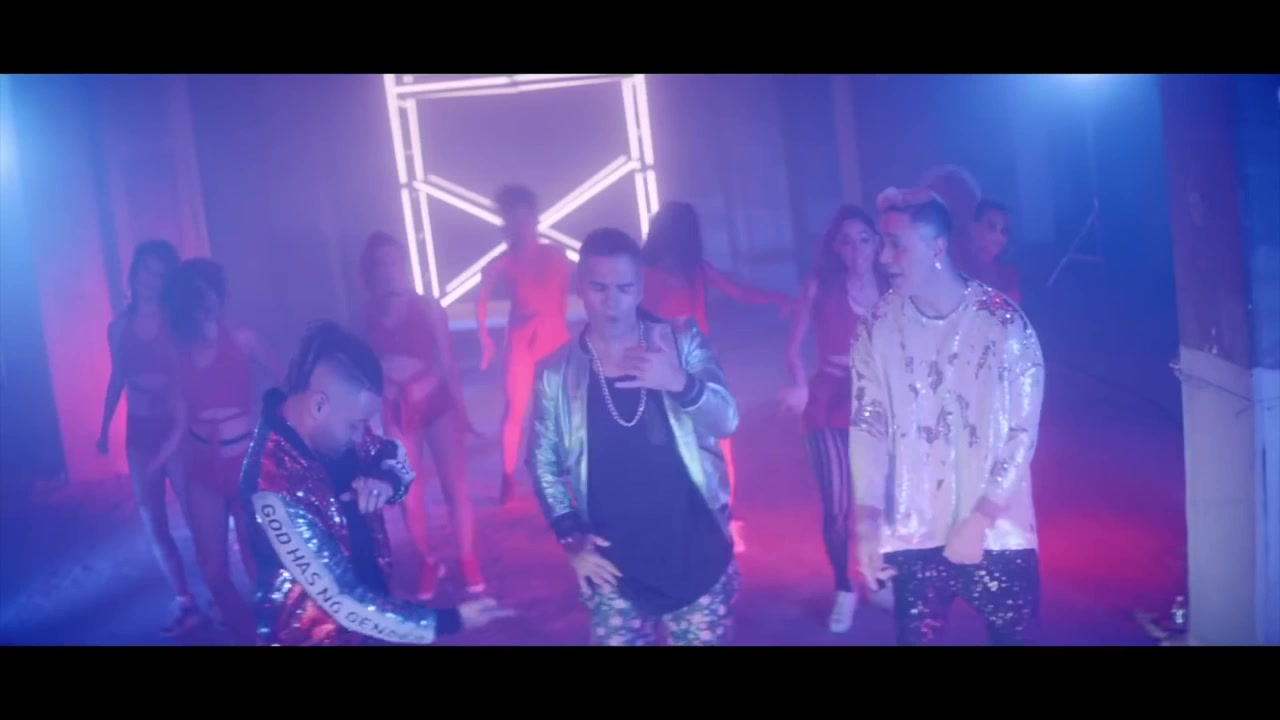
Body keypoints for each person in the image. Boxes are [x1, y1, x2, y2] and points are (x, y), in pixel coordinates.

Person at [850, 187, 1045, 646]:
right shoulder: (877, 328)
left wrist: (981, 518)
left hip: (998, 533)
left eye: (896, 244)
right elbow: (868, 427)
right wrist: (866, 522)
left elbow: (1021, 433)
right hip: (914, 530)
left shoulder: (1004, 324)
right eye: (882, 243)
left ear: (937, 247)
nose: (883, 257)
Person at [527, 227, 740, 646]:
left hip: (696, 555)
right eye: (599, 287)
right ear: (580, 288)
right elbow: (542, 462)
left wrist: (678, 382)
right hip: (613, 571)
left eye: (624, 288)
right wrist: (570, 537)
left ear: (641, 288)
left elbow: (726, 420)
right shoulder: (556, 373)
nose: (612, 301)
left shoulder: (681, 343)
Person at [240, 321, 512, 645]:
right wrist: (450, 620)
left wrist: (386, 481)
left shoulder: (336, 427)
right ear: (318, 406)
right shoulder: (272, 486)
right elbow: (340, 601)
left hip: (372, 620)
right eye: (355, 425)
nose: (361, 436)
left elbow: (392, 457)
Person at [640, 201, 791, 553]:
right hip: (664, 368)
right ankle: (695, 521)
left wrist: (776, 298)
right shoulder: (650, 273)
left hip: (695, 367)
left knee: (716, 443)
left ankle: (721, 519)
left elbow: (739, 291)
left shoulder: (695, 271)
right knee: (679, 444)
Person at [360, 232, 485, 598]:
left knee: (454, 484)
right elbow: (364, 371)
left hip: (436, 404)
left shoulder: (428, 308)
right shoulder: (364, 314)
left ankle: (466, 557)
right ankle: (428, 560)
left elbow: (448, 362)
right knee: (408, 492)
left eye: (394, 261)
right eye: (381, 263)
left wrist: (461, 411)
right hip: (396, 409)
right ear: (372, 270)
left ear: (404, 265)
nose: (389, 269)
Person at [778, 205, 884, 633]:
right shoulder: (820, 286)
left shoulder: (894, 288)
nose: (856, 249)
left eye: (864, 239)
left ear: (877, 243)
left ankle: (875, 578)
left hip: (876, 404)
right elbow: (793, 347)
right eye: (846, 241)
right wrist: (800, 384)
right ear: (836, 248)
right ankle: (844, 587)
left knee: (875, 503)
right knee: (838, 504)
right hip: (827, 400)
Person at [162, 258, 280, 642]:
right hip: (202, 467)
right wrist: (157, 461)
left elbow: (283, 379)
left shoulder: (243, 339)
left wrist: (278, 427)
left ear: (219, 294)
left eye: (210, 289)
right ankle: (247, 634)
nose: (205, 299)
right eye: (197, 292)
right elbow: (179, 418)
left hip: (244, 463)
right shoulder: (178, 351)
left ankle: (272, 632)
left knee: (256, 562)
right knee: (212, 569)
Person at [95, 239, 201, 636]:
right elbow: (116, 378)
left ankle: (220, 593)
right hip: (139, 432)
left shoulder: (175, 324)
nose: (150, 279)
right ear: (134, 272)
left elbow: (190, 375)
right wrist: (104, 427)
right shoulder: (118, 328)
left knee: (197, 517)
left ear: (167, 280)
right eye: (146, 269)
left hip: (176, 428)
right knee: (153, 522)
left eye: (160, 273)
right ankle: (185, 602)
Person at [474, 184, 575, 505]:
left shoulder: (556, 256)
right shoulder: (503, 263)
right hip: (523, 340)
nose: (521, 225)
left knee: (559, 408)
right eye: (514, 219)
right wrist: (484, 338)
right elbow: (481, 301)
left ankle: (562, 469)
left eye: (525, 218)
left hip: (554, 337)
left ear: (534, 218)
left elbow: (573, 288)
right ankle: (508, 475)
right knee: (516, 409)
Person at [959, 200, 1022, 304]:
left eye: (1004, 231)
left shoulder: (1009, 276)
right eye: (993, 227)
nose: (1000, 236)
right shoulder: (956, 269)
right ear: (974, 228)